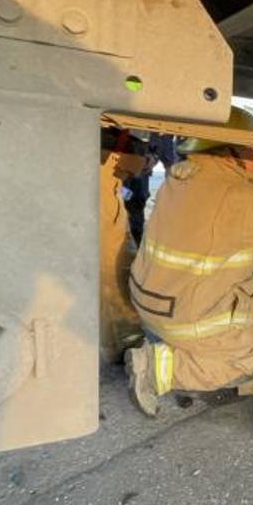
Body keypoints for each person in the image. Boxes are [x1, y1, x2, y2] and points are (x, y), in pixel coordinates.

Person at [123, 108, 253, 416]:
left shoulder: (180, 177)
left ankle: (175, 346)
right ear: (230, 151)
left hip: (147, 300)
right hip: (184, 317)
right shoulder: (238, 197)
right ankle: (158, 368)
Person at [99, 127, 150, 365]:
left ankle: (123, 343)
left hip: (107, 161)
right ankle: (128, 347)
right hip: (108, 161)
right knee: (116, 270)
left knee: (116, 267)